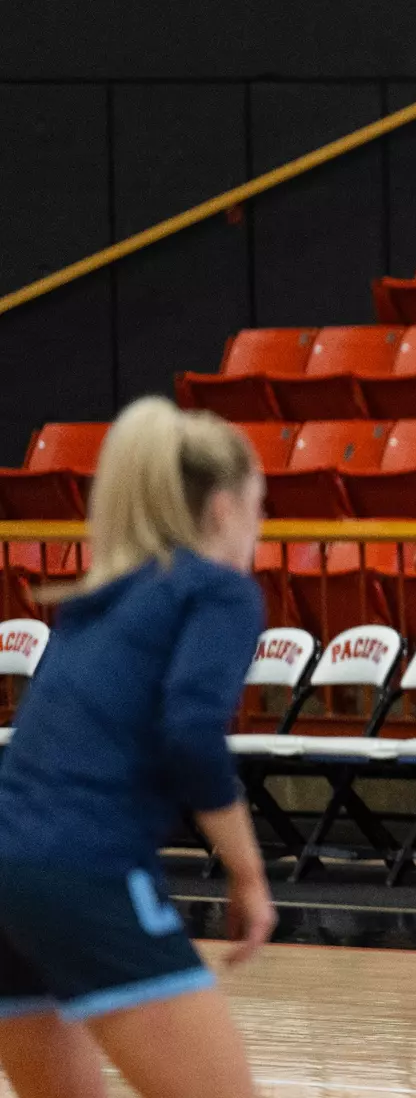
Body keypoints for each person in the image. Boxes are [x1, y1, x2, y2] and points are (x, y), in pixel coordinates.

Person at [0, 397, 275, 1098]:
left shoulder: (100, 600)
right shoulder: (217, 591)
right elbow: (189, 733)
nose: (260, 529)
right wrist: (248, 873)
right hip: (84, 869)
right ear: (221, 510)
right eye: (258, 507)